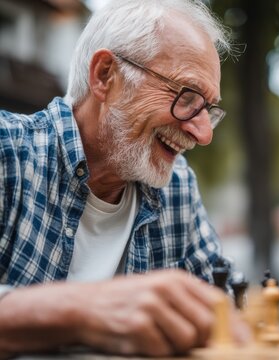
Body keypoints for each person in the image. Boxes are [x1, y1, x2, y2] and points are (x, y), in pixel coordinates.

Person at [0, 0, 249, 356]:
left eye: (208, 109)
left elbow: (223, 314)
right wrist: (82, 309)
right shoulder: (7, 152)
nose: (203, 133)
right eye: (187, 96)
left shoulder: (177, 185)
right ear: (105, 76)